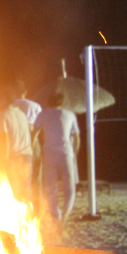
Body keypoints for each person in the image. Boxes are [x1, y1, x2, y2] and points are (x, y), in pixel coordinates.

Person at [34, 90, 80, 231]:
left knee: (50, 188)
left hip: (49, 153)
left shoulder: (43, 114)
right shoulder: (70, 115)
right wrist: (74, 154)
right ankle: (65, 217)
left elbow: (34, 134)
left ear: (49, 102)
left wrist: (35, 150)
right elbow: (77, 138)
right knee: (69, 188)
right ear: (63, 102)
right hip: (66, 153)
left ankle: (57, 216)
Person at [0, 87, 33, 201]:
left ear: (3, 100)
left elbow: (5, 139)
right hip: (27, 155)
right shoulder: (22, 114)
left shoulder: (2, 115)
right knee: (26, 188)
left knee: (13, 190)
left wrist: (4, 159)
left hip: (15, 157)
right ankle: (28, 211)